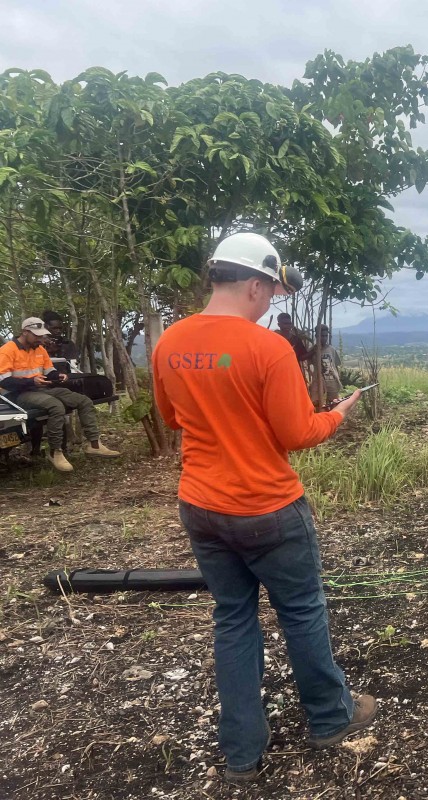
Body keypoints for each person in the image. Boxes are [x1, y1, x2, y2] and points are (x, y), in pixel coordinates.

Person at [151, 232, 376, 785]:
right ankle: (330, 717)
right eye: (271, 291)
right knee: (301, 611)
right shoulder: (267, 348)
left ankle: (242, 752)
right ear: (254, 284)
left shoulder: (169, 342)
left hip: (200, 505)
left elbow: (173, 419)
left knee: (232, 617)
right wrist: (339, 413)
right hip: (268, 509)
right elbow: (298, 433)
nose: (271, 301)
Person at [0, 317, 121, 472]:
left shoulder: (39, 349)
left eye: (41, 335)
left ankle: (94, 445)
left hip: (40, 389)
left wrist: (58, 376)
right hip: (16, 395)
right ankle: (55, 452)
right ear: (25, 332)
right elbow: (5, 382)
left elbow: (49, 370)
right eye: (37, 335)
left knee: (83, 401)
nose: (40, 339)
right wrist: (31, 382)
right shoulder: (7, 350)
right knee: (56, 406)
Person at [312, 324, 344, 406]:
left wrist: (338, 378)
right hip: (319, 381)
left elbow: (335, 366)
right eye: (322, 336)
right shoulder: (313, 350)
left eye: (326, 336)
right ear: (316, 336)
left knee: (333, 403)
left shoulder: (331, 350)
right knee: (317, 403)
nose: (324, 338)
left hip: (331, 381)